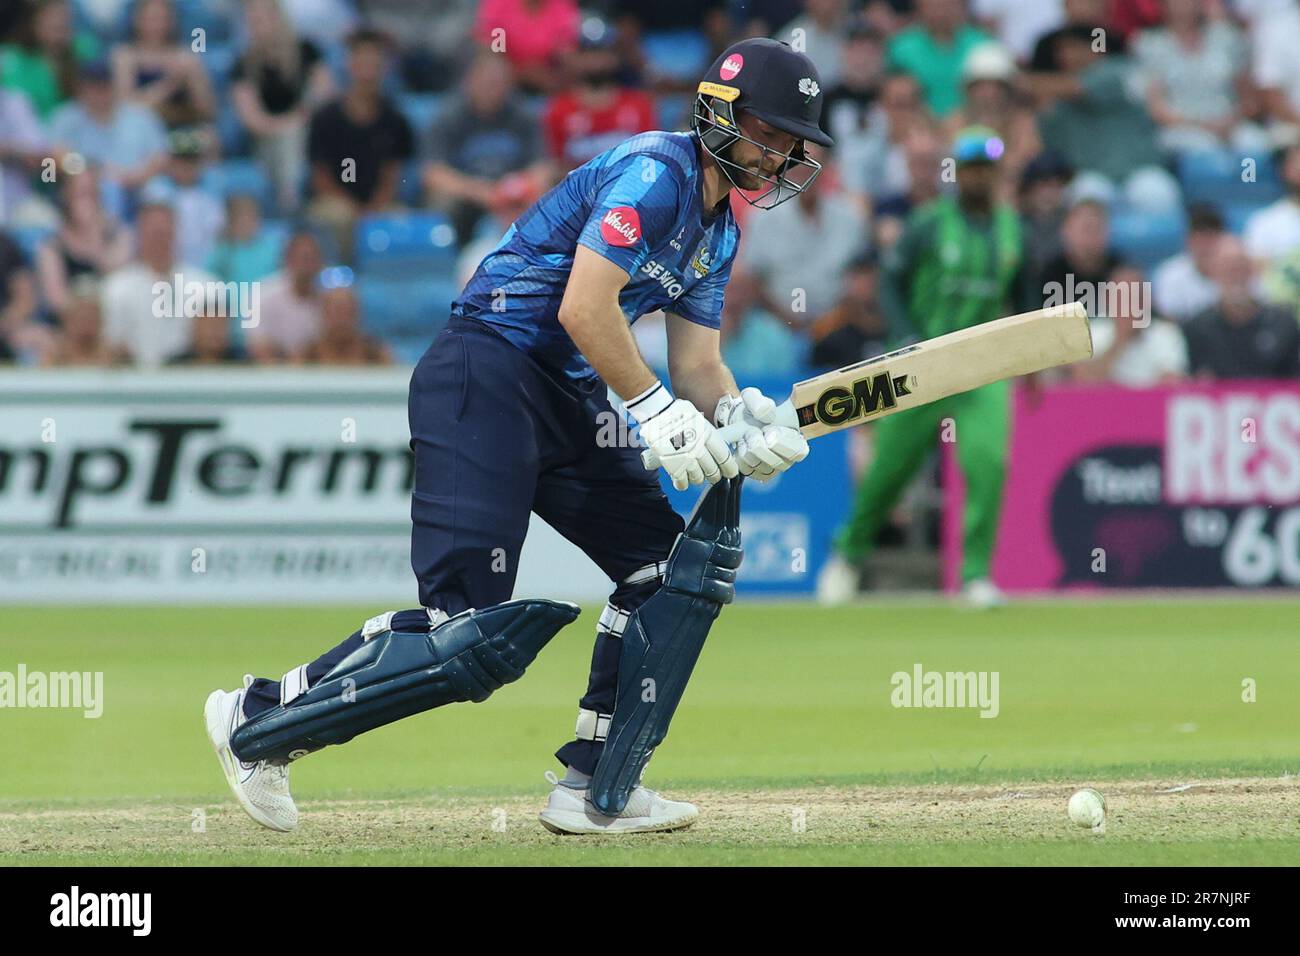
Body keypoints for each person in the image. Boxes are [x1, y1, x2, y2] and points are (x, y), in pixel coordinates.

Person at [204, 37, 829, 835]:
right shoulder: (655, 173)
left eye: (789, 143)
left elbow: (699, 362)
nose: (778, 157)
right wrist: (653, 408)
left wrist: (739, 420)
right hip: (485, 371)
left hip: (566, 395)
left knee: (674, 573)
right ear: (720, 114)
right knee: (462, 638)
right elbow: (583, 307)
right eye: (769, 134)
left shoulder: (720, 230)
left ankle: (597, 787)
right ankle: (254, 721)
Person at [818, 126, 1023, 609]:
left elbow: (1026, 297)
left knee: (989, 462)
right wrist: (907, 333)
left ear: (995, 175)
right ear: (959, 172)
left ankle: (975, 574)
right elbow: (891, 280)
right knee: (890, 467)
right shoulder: (930, 223)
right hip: (922, 363)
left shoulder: (1013, 228)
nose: (977, 178)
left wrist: (1030, 359)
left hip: (984, 367)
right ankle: (847, 557)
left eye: (985, 170)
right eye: (970, 168)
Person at [306, 28, 414, 260]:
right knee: (338, 217)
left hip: (380, 204)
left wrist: (374, 209)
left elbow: (392, 174)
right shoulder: (325, 118)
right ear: (349, 64)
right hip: (335, 201)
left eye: (374, 62)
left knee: (401, 220)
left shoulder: (395, 120)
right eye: (362, 61)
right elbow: (320, 177)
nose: (368, 70)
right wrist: (354, 210)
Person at [425, 50, 550, 245]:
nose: (493, 88)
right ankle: (444, 262)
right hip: (467, 196)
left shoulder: (524, 115)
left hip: (513, 194)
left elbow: (542, 168)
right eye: (487, 81)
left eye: (500, 82)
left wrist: (517, 187)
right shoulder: (448, 116)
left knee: (544, 196)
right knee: (442, 201)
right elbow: (433, 173)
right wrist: (481, 191)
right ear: (469, 81)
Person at [232, 0, 336, 214]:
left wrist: (305, 117)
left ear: (279, 19)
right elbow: (254, 121)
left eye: (263, 19)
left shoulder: (307, 51)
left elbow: (327, 95)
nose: (258, 26)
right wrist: (291, 123)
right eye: (252, 21)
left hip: (313, 132)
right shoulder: (243, 65)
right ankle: (290, 200)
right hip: (269, 143)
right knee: (289, 138)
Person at [99, 201, 217, 367]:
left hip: (189, 381)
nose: (160, 240)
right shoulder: (115, 288)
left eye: (165, 232)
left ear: (176, 233)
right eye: (154, 233)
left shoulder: (206, 286)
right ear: (140, 235)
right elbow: (111, 344)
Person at [46, 59, 169, 205]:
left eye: (105, 86)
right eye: (94, 86)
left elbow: (160, 157)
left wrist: (136, 177)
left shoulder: (140, 116)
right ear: (83, 87)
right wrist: (91, 172)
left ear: (114, 86)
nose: (100, 92)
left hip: (137, 185)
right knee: (102, 190)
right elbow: (54, 156)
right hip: (87, 186)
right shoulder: (66, 117)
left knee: (160, 191)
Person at [542, 19, 656, 173]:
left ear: (614, 56)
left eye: (602, 51)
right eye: (588, 52)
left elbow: (650, 161)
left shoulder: (638, 104)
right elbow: (553, 165)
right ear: (576, 58)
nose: (596, 60)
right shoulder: (558, 109)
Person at [1184, 235, 1300, 378]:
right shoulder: (1197, 329)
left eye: (1240, 267)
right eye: (1227, 269)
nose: (1235, 276)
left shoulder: (1283, 323)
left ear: (1253, 270)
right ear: (1212, 273)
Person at [35, 166, 133, 316]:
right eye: (79, 194)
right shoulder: (51, 247)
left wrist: (93, 234)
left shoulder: (119, 234)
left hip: (114, 317)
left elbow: (123, 279)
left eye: (91, 193)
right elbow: (57, 302)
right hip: (73, 325)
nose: (86, 201)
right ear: (65, 195)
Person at [1072, 262, 1188, 386]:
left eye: (1135, 296)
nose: (1130, 305)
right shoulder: (1092, 331)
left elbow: (1173, 382)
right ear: (1107, 299)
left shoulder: (1166, 333)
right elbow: (1085, 382)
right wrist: (1120, 340)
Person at [110, 0, 216, 131]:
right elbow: (125, 109)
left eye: (162, 18)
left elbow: (208, 112)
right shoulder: (124, 56)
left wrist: (192, 77)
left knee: (209, 138)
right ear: (137, 19)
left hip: (180, 131)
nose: (157, 25)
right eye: (151, 18)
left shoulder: (187, 58)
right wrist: (171, 83)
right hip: (140, 134)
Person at [248, 228, 325, 362]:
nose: (307, 265)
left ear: (320, 263)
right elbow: (257, 346)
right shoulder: (261, 293)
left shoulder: (327, 300)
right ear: (287, 260)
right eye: (303, 258)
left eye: (312, 259)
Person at [1151, 202, 1224, 322]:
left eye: (1211, 237)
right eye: (1200, 238)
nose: (1206, 245)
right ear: (1188, 239)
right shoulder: (1170, 274)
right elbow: (1167, 320)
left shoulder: (1237, 270)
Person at [300, 285, 391, 365]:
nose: (342, 319)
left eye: (347, 312)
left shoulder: (375, 355)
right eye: (336, 312)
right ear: (324, 314)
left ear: (357, 314)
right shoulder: (308, 356)